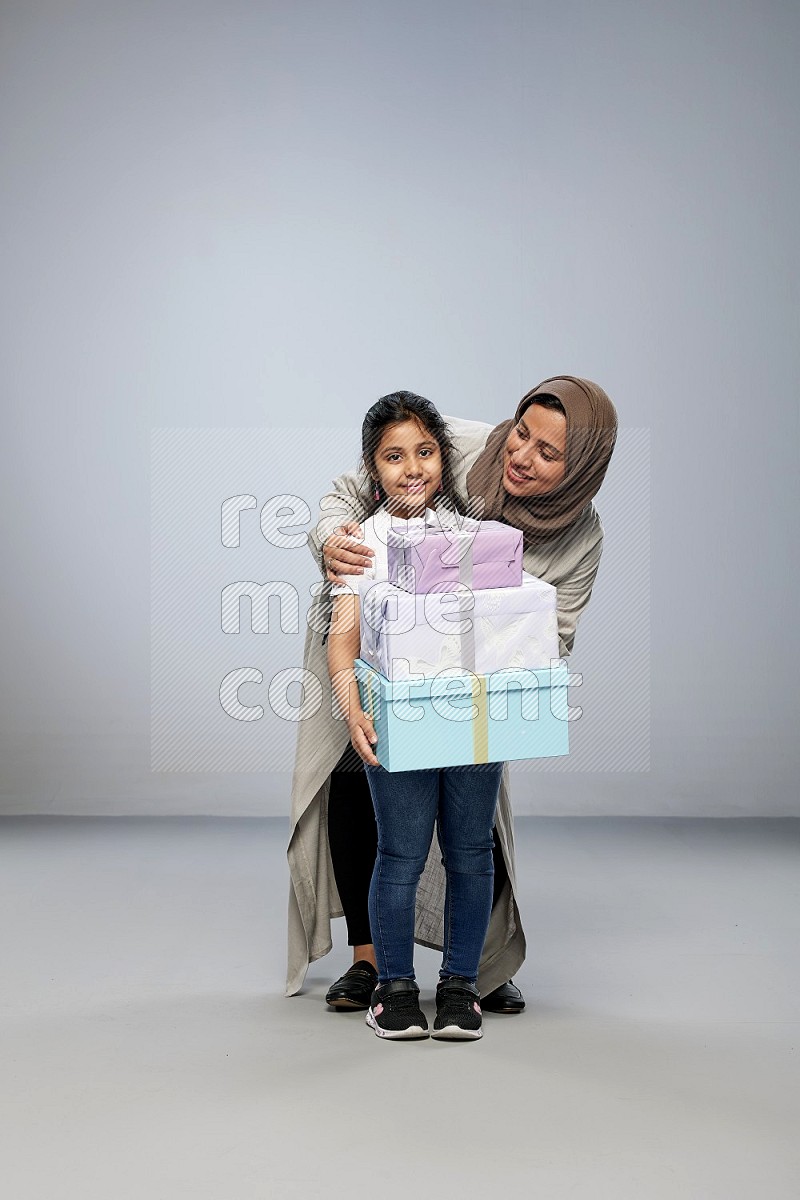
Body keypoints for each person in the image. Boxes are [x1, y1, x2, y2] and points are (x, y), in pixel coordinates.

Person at [286, 376, 618, 1017]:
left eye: (549, 455)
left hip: (475, 686)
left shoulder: (573, 538)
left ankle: (477, 969)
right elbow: (353, 492)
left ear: (579, 471)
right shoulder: (459, 447)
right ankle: (373, 962)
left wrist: (495, 644)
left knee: (474, 831)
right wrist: (336, 542)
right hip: (373, 665)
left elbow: (554, 634)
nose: (521, 456)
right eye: (522, 433)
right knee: (362, 791)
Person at [324, 391, 506, 1039]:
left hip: (471, 717)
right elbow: (342, 637)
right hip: (396, 717)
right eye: (394, 457)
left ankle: (459, 987)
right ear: (374, 470)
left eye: (425, 452)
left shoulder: (478, 538)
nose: (413, 468)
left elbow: (503, 627)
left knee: (470, 851)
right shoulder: (361, 544)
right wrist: (353, 709)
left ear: (443, 458)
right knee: (399, 853)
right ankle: (395, 987)